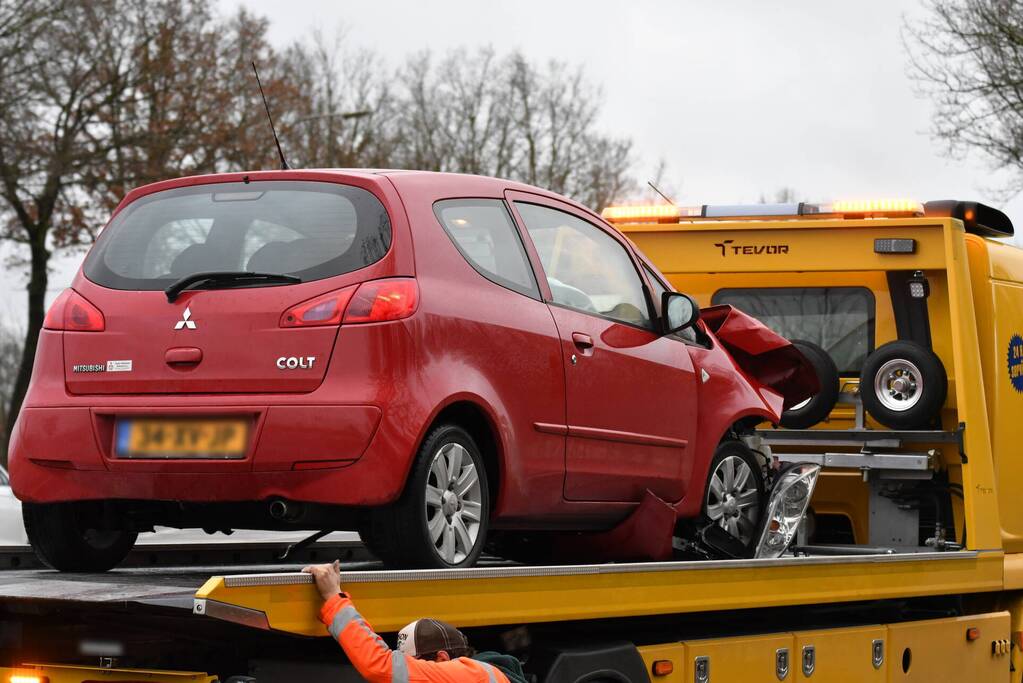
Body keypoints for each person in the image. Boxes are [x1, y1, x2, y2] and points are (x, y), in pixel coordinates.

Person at [303, 561, 528, 683]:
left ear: (442, 658)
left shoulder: (470, 674)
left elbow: (381, 667)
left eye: (417, 666)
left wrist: (334, 597)